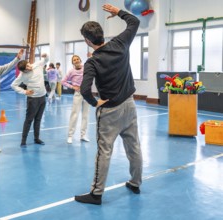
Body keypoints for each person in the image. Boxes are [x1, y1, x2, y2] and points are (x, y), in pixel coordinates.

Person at [75, 3, 143, 205]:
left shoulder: (92, 62)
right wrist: (118, 12)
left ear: (88, 41)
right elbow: (135, 21)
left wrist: (95, 103)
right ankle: (136, 182)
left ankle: (96, 194)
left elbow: (85, 89)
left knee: (104, 152)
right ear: (102, 35)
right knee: (134, 147)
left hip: (110, 111)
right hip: (130, 106)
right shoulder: (121, 43)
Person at [11, 53, 49, 147]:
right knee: (29, 120)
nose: (29, 68)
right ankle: (23, 140)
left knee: (38, 119)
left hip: (42, 97)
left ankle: (36, 138)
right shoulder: (22, 75)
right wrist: (25, 91)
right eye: (26, 68)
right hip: (33, 99)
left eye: (28, 65)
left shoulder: (37, 65)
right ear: (23, 70)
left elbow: (46, 60)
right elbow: (13, 85)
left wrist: (46, 56)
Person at [61, 55, 90, 144]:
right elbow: (63, 81)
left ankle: (83, 135)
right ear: (72, 62)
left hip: (87, 93)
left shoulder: (85, 68)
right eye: (74, 60)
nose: (76, 61)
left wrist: (90, 57)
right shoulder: (71, 71)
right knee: (74, 115)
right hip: (78, 94)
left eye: (77, 59)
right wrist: (72, 86)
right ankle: (70, 136)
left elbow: (92, 65)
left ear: (80, 60)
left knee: (85, 115)